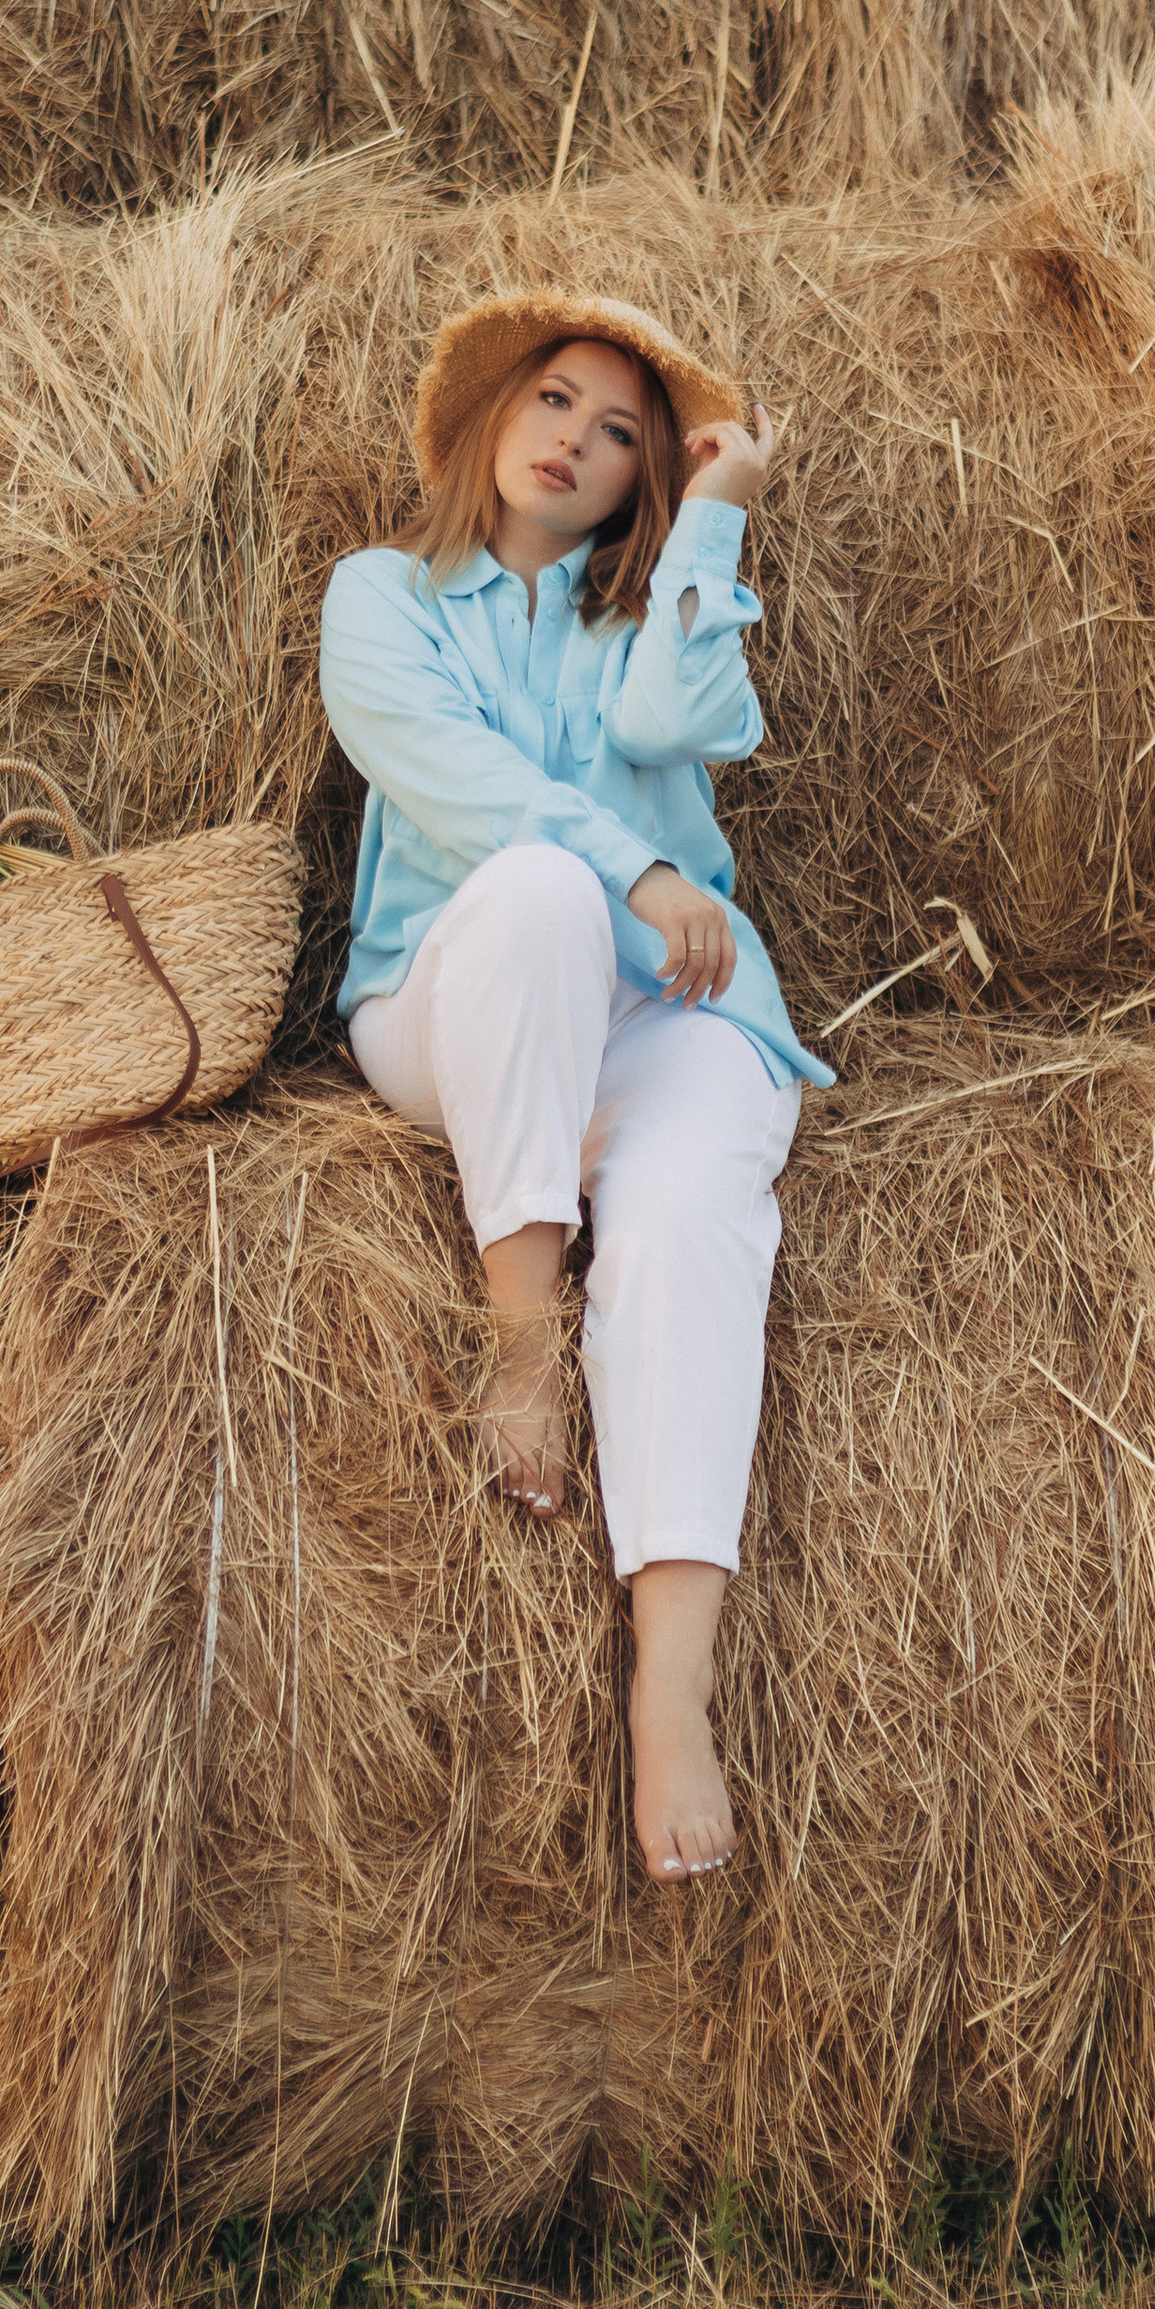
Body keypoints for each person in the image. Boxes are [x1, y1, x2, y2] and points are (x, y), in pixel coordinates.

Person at [319, 289, 832, 1887]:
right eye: (554, 402)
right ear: (489, 422)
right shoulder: (386, 598)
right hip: (452, 999)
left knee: (689, 1206)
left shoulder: (637, 626)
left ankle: (671, 1686)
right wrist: (646, 864)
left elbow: (687, 719)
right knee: (545, 892)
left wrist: (719, 520)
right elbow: (467, 793)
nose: (577, 445)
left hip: (662, 1013)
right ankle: (525, 1341)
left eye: (621, 438)